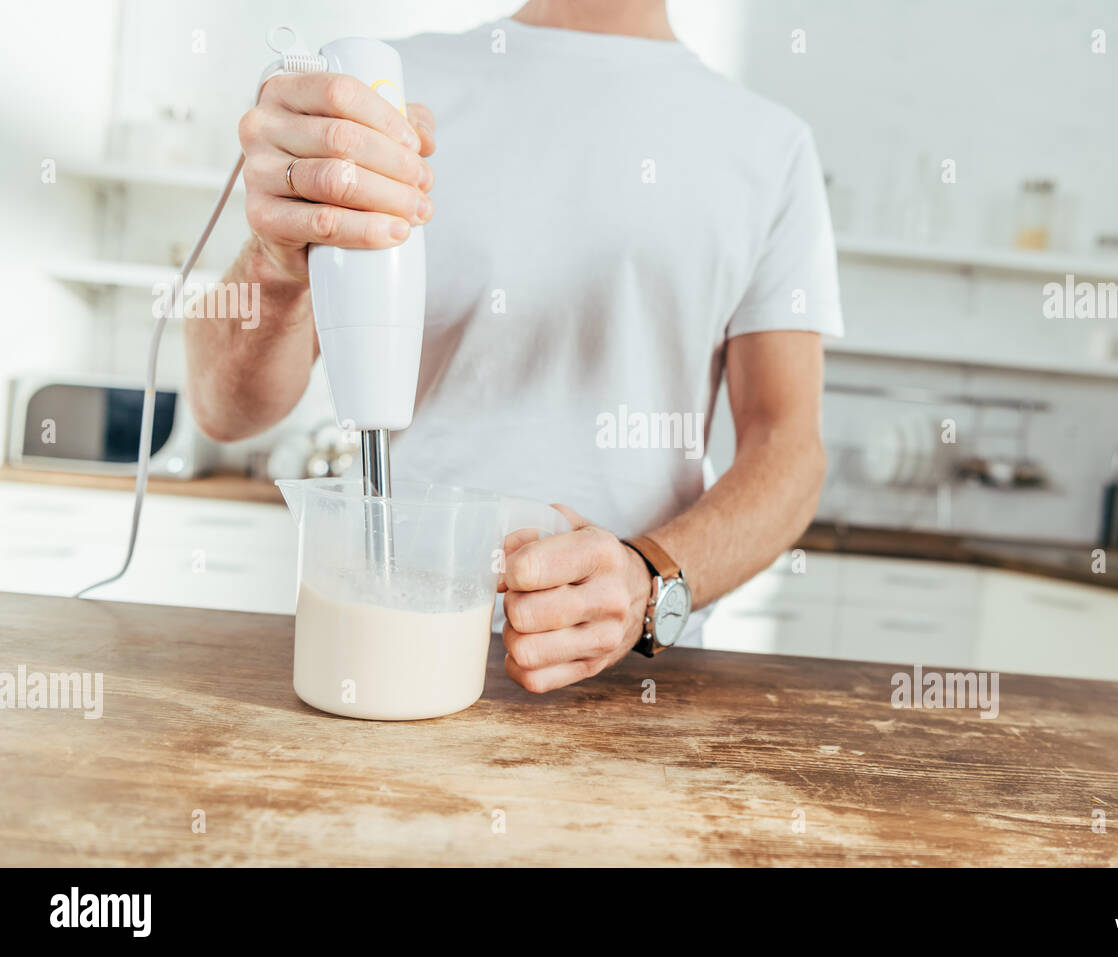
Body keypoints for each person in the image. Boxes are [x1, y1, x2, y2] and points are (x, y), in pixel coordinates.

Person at [185, 0, 842, 692]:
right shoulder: (384, 97)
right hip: (387, 647)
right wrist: (278, 260)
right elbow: (223, 410)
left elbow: (788, 447)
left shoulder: (770, 147)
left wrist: (648, 582)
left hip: (636, 680)